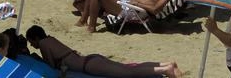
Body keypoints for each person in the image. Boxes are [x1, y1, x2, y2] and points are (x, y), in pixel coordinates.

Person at [25, 25, 182, 77]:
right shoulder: (51, 39)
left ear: (36, 38)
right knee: (127, 68)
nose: (32, 45)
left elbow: (51, 66)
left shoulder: (44, 43)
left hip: (89, 65)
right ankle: (165, 64)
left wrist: (36, 59)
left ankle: (165, 69)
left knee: (127, 73)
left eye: (31, 42)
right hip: (90, 60)